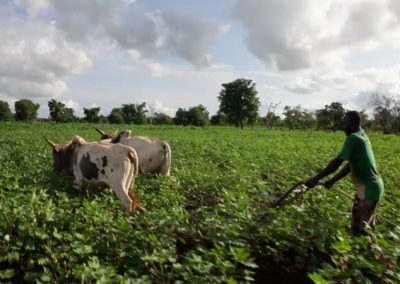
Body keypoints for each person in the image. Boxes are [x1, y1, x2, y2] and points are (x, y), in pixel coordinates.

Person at [305, 110, 384, 236]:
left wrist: (314, 179)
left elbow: (336, 163)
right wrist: (331, 181)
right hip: (369, 188)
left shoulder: (353, 138)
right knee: (363, 227)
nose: (343, 126)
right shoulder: (362, 135)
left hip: (369, 189)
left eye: (346, 123)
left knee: (359, 231)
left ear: (354, 123)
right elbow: (349, 166)